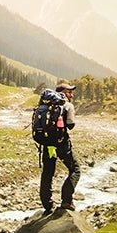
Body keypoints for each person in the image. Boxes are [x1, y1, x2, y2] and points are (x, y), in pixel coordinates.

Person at [40, 82, 81, 215]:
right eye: (69, 92)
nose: (71, 95)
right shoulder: (67, 105)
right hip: (61, 144)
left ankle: (47, 204)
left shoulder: (46, 105)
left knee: (48, 172)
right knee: (75, 169)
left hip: (48, 144)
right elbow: (70, 125)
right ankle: (66, 200)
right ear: (62, 92)